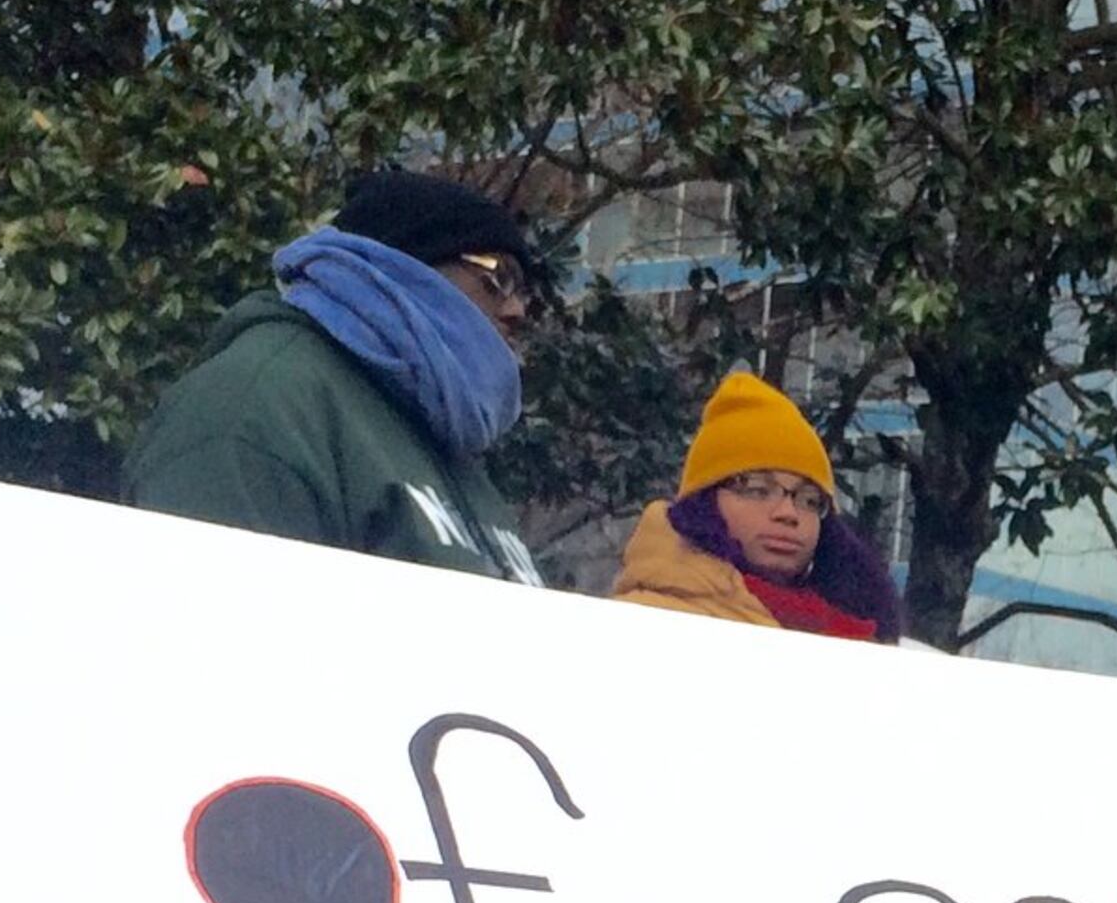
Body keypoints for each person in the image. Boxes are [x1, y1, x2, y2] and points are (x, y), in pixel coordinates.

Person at [124, 167, 549, 585]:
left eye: (526, 292)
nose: (517, 311)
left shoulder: (445, 451)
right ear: (399, 268)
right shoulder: (251, 405)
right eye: (499, 277)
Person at [611, 371, 903, 642]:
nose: (788, 514)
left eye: (809, 500)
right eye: (757, 490)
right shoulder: (642, 625)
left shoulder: (848, 631)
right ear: (703, 506)